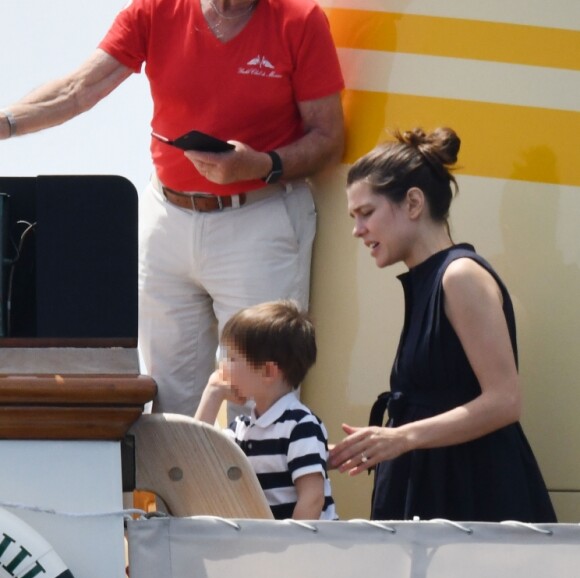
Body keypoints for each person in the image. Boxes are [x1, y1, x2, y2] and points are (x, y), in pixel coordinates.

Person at [0, 0, 345, 417]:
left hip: (261, 218)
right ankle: (170, 487)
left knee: (260, 405)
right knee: (169, 404)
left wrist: (261, 165)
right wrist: (5, 123)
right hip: (168, 218)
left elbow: (328, 138)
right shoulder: (156, 9)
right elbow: (78, 90)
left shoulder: (299, 20)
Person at [329, 127, 557, 523]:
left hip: (472, 500)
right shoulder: (430, 279)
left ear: (413, 203)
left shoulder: (460, 276)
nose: (357, 229)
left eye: (366, 213)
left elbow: (505, 400)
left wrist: (399, 438)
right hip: (438, 498)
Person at [194, 299, 337, 520]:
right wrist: (212, 394)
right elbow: (195, 457)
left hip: (302, 547)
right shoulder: (241, 428)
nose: (223, 368)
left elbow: (312, 498)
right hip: (265, 544)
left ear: (268, 371)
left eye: (232, 359)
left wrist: (288, 548)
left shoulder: (300, 425)